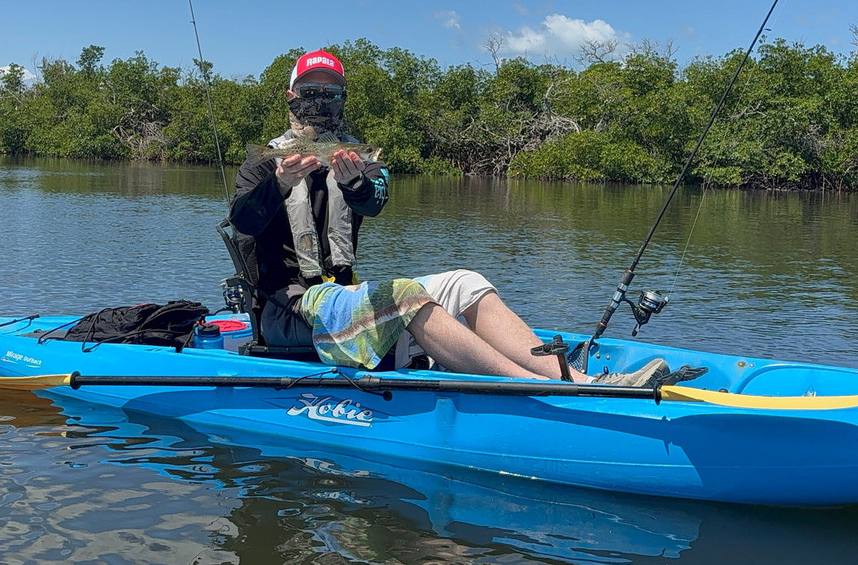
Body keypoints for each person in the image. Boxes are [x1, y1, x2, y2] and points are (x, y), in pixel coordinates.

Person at [229, 50, 666, 386]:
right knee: (404, 295)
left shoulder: (360, 158)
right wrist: (279, 183)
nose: (320, 101)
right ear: (291, 96)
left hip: (343, 297)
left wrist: (355, 182)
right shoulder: (263, 162)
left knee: (467, 282)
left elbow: (374, 201)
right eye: (310, 92)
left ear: (343, 100)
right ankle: (534, 386)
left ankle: (579, 380)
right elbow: (243, 223)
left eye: (331, 94)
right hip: (288, 312)